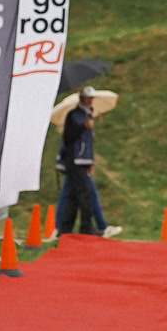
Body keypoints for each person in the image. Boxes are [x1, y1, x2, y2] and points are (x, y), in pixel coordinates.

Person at [56, 95, 112, 238]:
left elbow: (88, 145)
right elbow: (68, 137)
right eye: (88, 98)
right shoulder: (74, 116)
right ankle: (86, 227)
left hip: (82, 161)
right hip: (75, 161)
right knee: (86, 193)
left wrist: (90, 162)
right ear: (82, 99)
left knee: (72, 196)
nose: (90, 101)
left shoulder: (88, 115)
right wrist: (83, 127)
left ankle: (64, 228)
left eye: (91, 98)